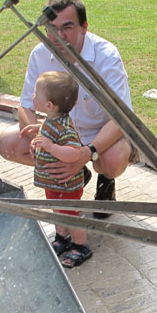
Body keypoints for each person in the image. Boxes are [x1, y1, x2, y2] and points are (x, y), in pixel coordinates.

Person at [0, 0, 136, 220]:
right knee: (7, 143)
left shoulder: (107, 56)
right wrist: (38, 139)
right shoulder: (40, 53)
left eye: (67, 28)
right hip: (58, 132)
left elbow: (122, 117)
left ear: (84, 27)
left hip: (100, 135)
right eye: (52, 29)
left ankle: (106, 180)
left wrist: (87, 152)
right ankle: (77, 174)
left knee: (112, 161)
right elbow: (25, 106)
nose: (58, 36)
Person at [30, 71, 92, 268]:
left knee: (71, 215)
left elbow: (74, 153)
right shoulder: (51, 120)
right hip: (54, 183)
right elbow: (47, 140)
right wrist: (37, 145)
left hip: (66, 185)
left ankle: (81, 246)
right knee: (58, 211)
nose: (32, 96)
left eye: (35, 94)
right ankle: (62, 237)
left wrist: (50, 147)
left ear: (49, 105)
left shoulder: (64, 127)